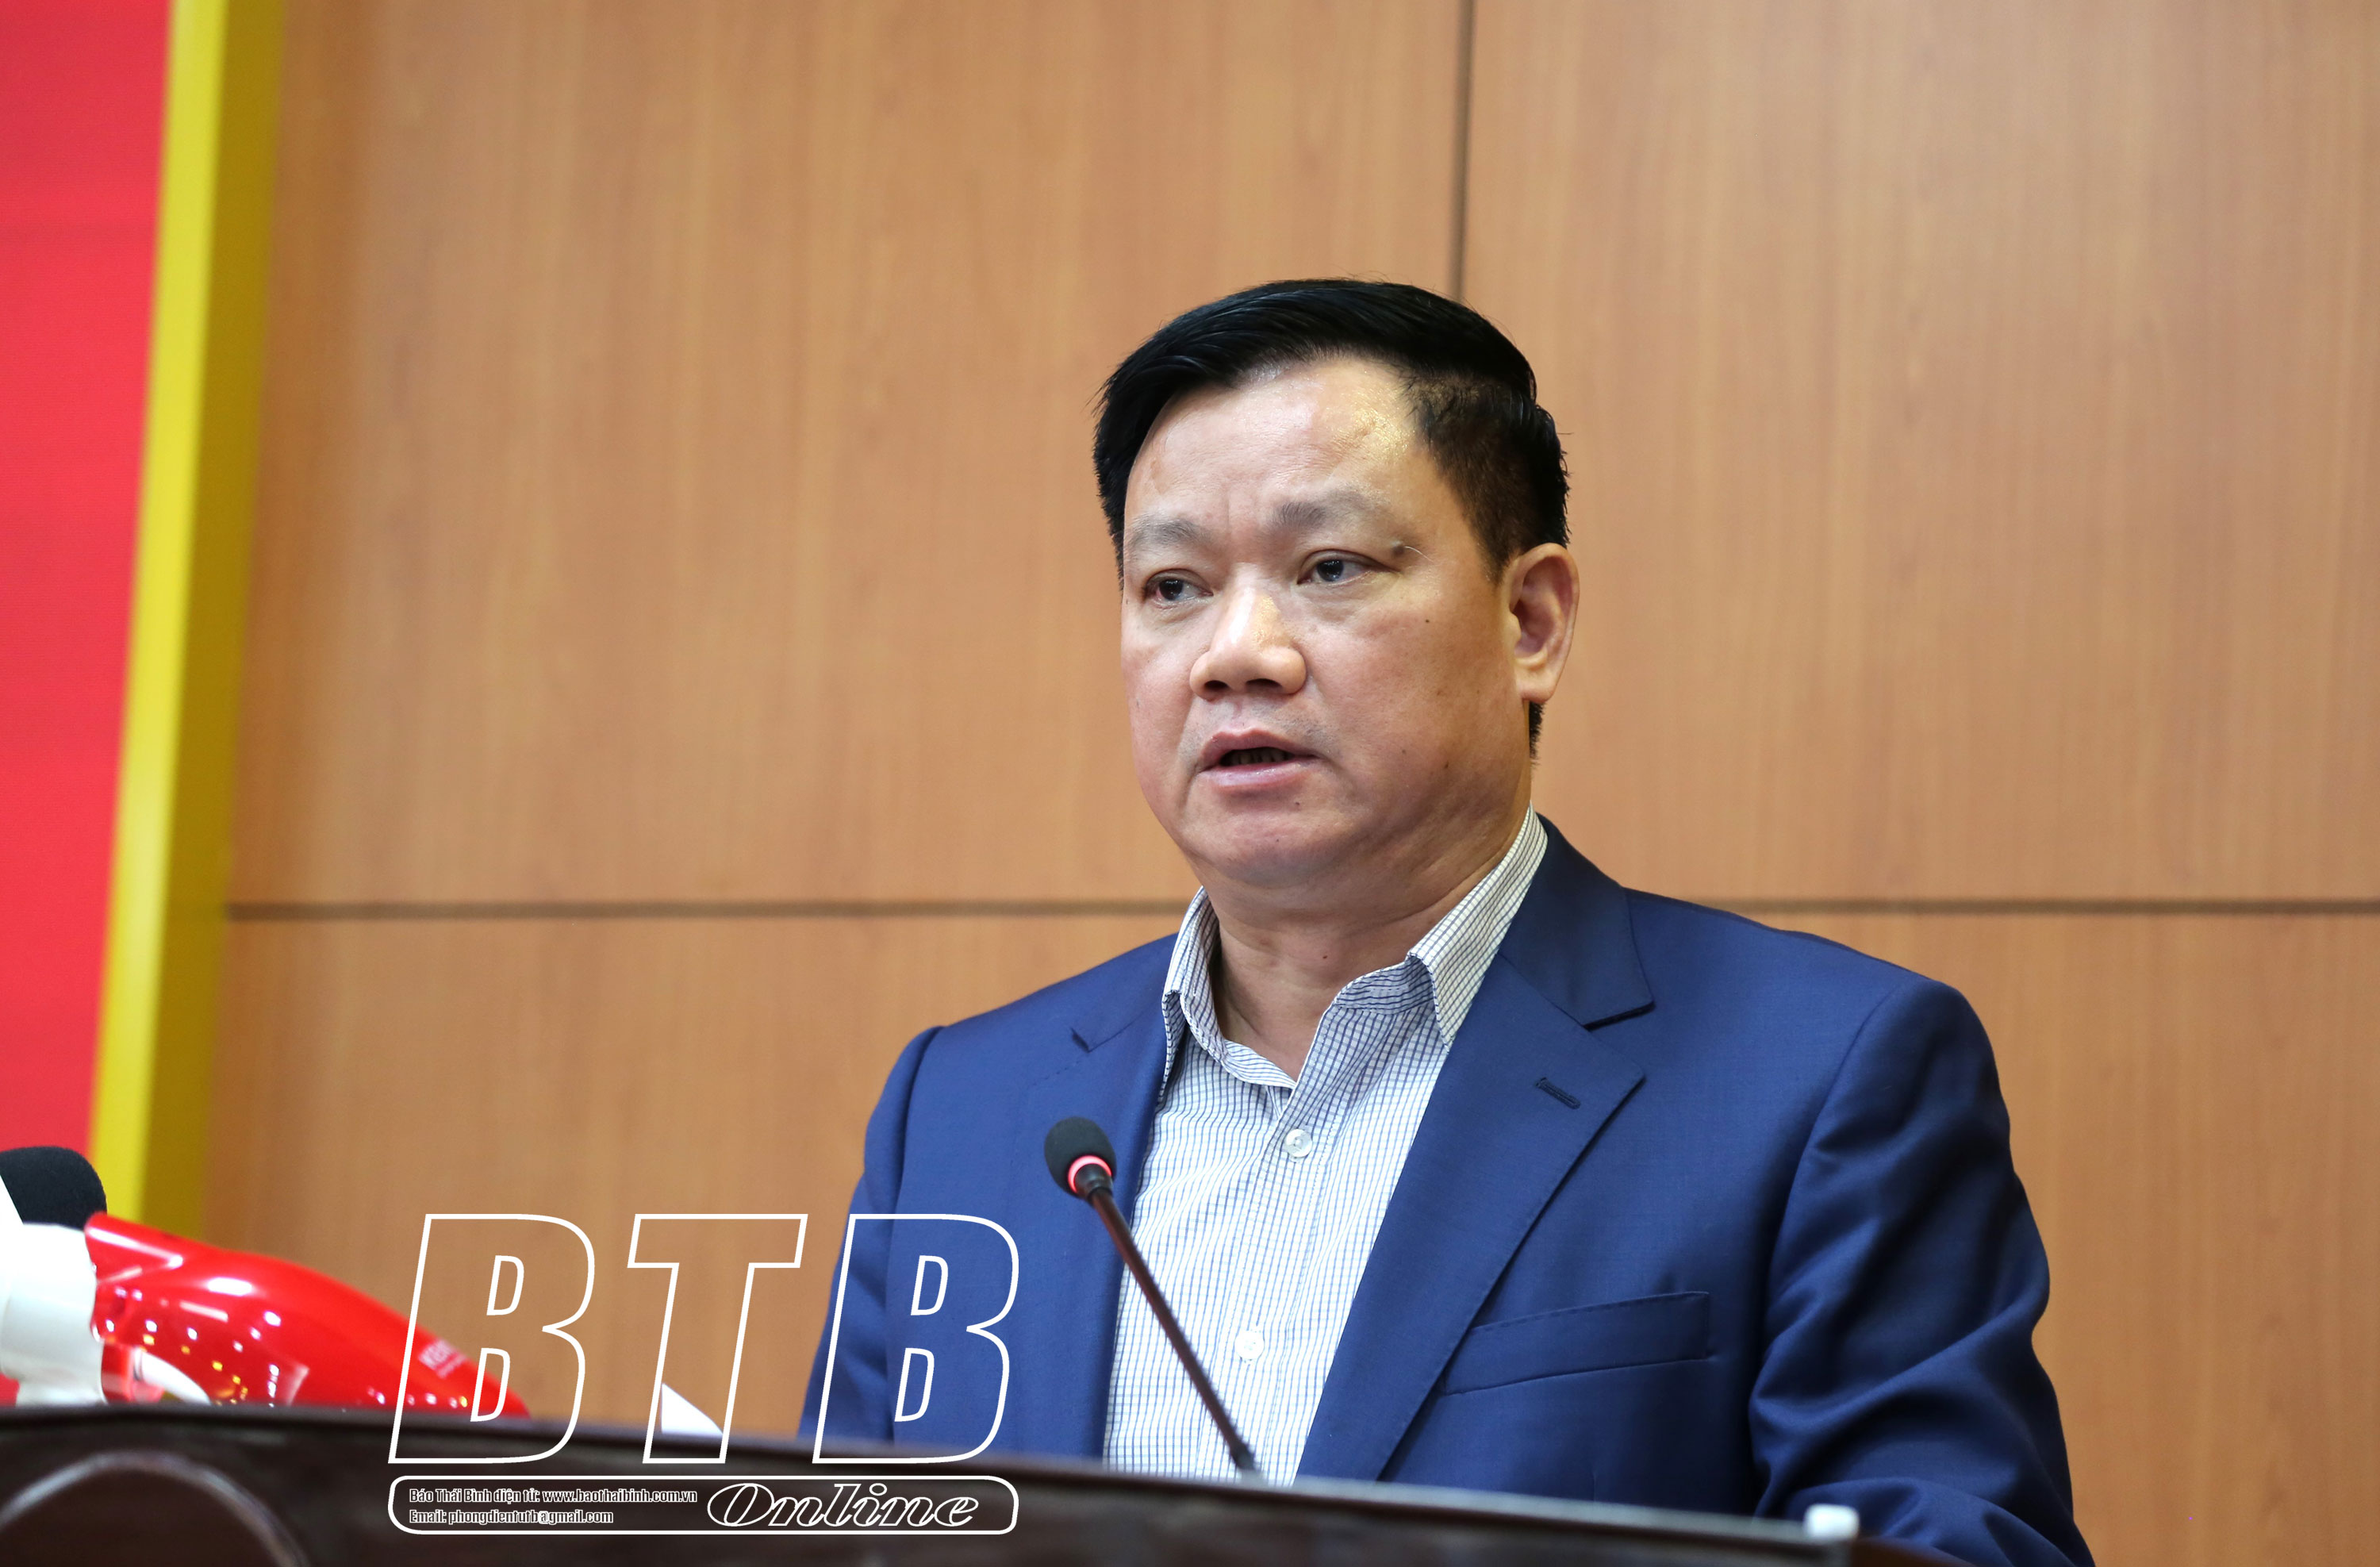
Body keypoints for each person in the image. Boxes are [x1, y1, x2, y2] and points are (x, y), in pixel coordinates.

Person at [804, 280, 2090, 1567]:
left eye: (1329, 569)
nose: (1234, 654)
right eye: (1174, 586)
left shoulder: (1816, 1079)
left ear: (1530, 622)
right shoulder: (962, 1113)